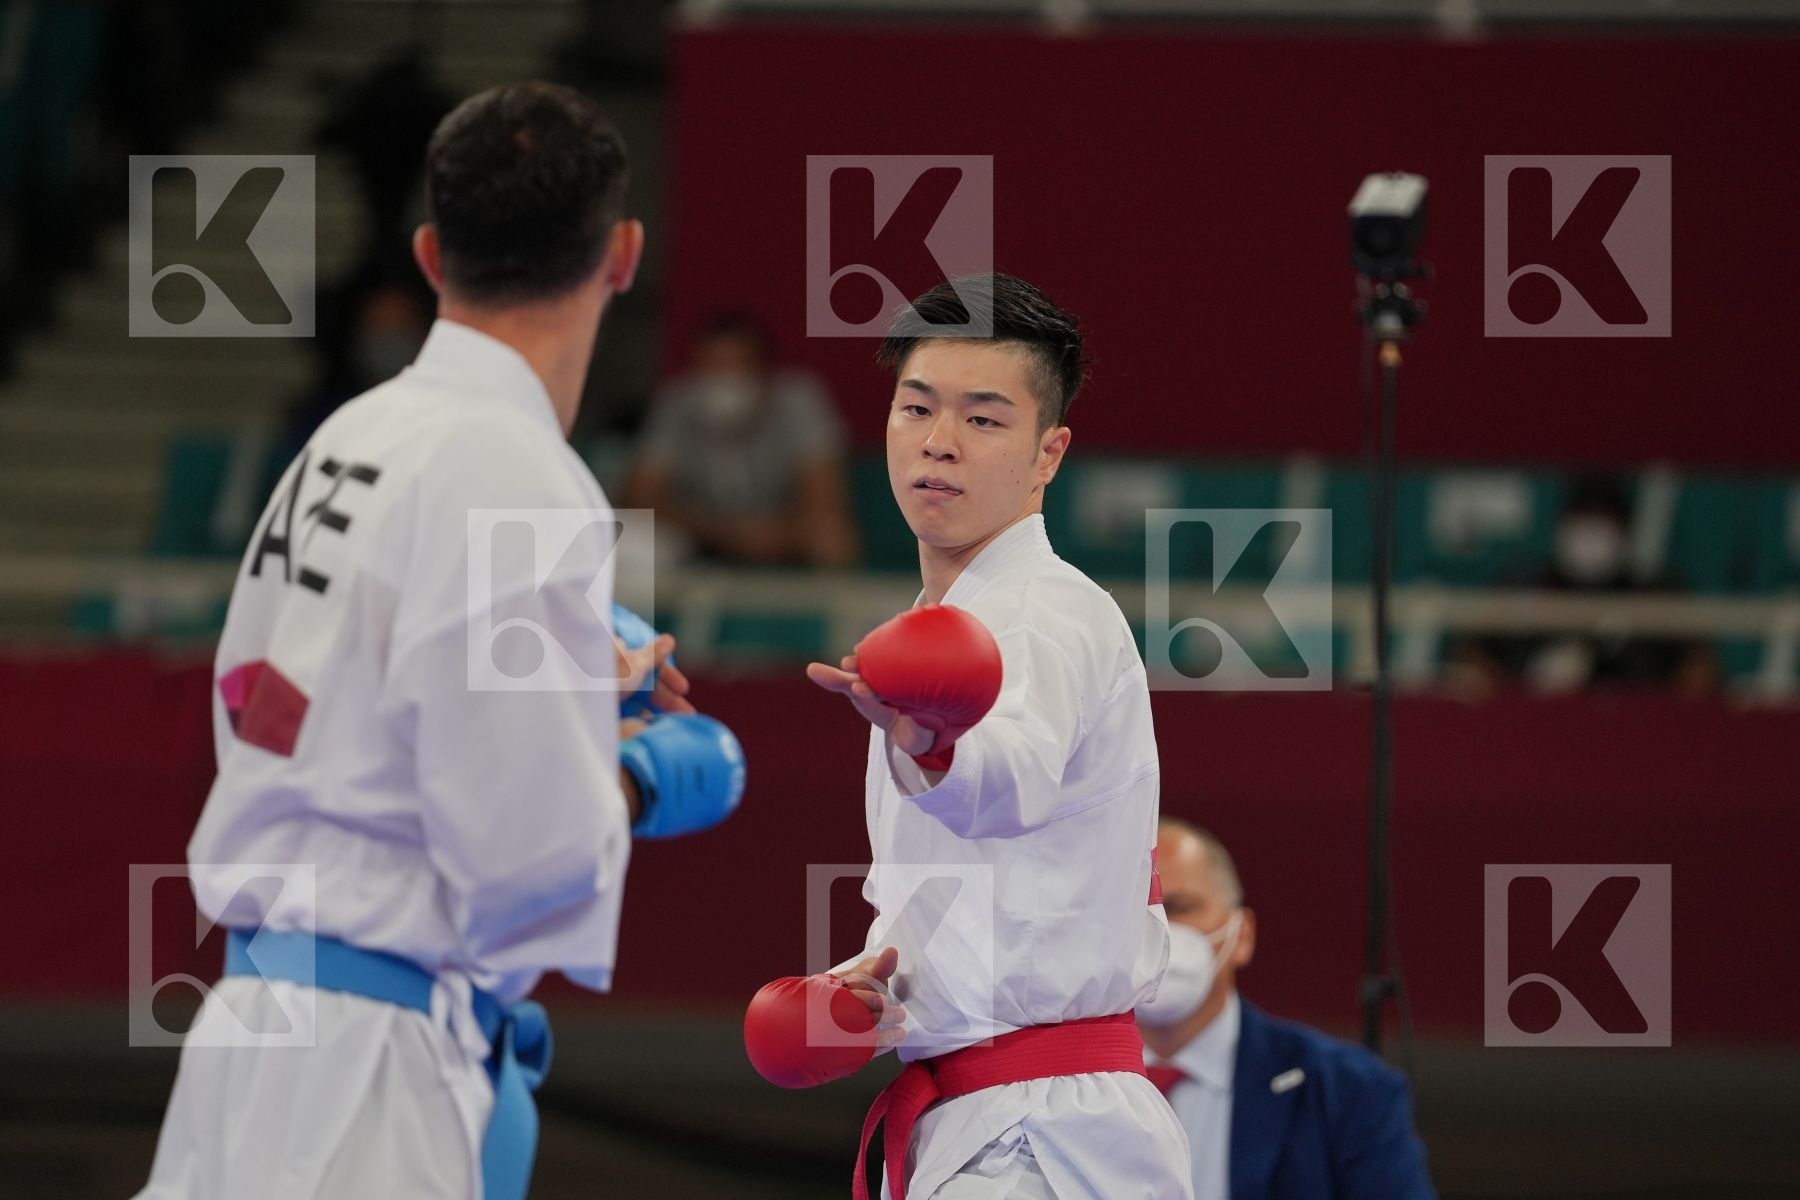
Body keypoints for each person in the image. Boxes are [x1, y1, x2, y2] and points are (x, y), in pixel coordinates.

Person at [135, 82, 746, 1200]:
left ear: (427, 253)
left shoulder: (346, 440)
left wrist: (565, 686)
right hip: (366, 1073)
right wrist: (639, 777)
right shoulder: (513, 475)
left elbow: (289, 701)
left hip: (256, 1040)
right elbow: (525, 851)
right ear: (622, 255)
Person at [743, 274, 1192, 1199]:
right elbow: (990, 900)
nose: (939, 442)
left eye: (984, 420)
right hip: (1008, 1121)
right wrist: (862, 993)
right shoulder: (955, 618)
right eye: (917, 408)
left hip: (1040, 1138)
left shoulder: (1037, 614)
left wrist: (940, 746)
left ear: (1048, 454)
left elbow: (1012, 776)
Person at [1136, 818, 1436, 1200]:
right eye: (1132, 910)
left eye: (1179, 908)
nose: (1157, 928)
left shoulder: (1346, 1092)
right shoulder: (1051, 1086)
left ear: (1241, 934)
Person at [625, 311, 860, 566]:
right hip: (697, 534)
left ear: (765, 370)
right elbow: (640, 500)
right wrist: (727, 532)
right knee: (638, 537)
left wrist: (771, 532)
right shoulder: (676, 402)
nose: (724, 378)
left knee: (831, 537)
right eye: (712, 367)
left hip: (781, 532)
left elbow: (824, 499)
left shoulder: (799, 400)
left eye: (737, 365)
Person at [1448, 474, 1718, 696]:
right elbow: (1471, 658)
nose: (1590, 533)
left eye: (1602, 521)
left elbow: (1699, 671)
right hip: (1528, 724)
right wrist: (1513, 693)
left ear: (1623, 531)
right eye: (1582, 519)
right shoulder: (1522, 583)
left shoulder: (1654, 590)